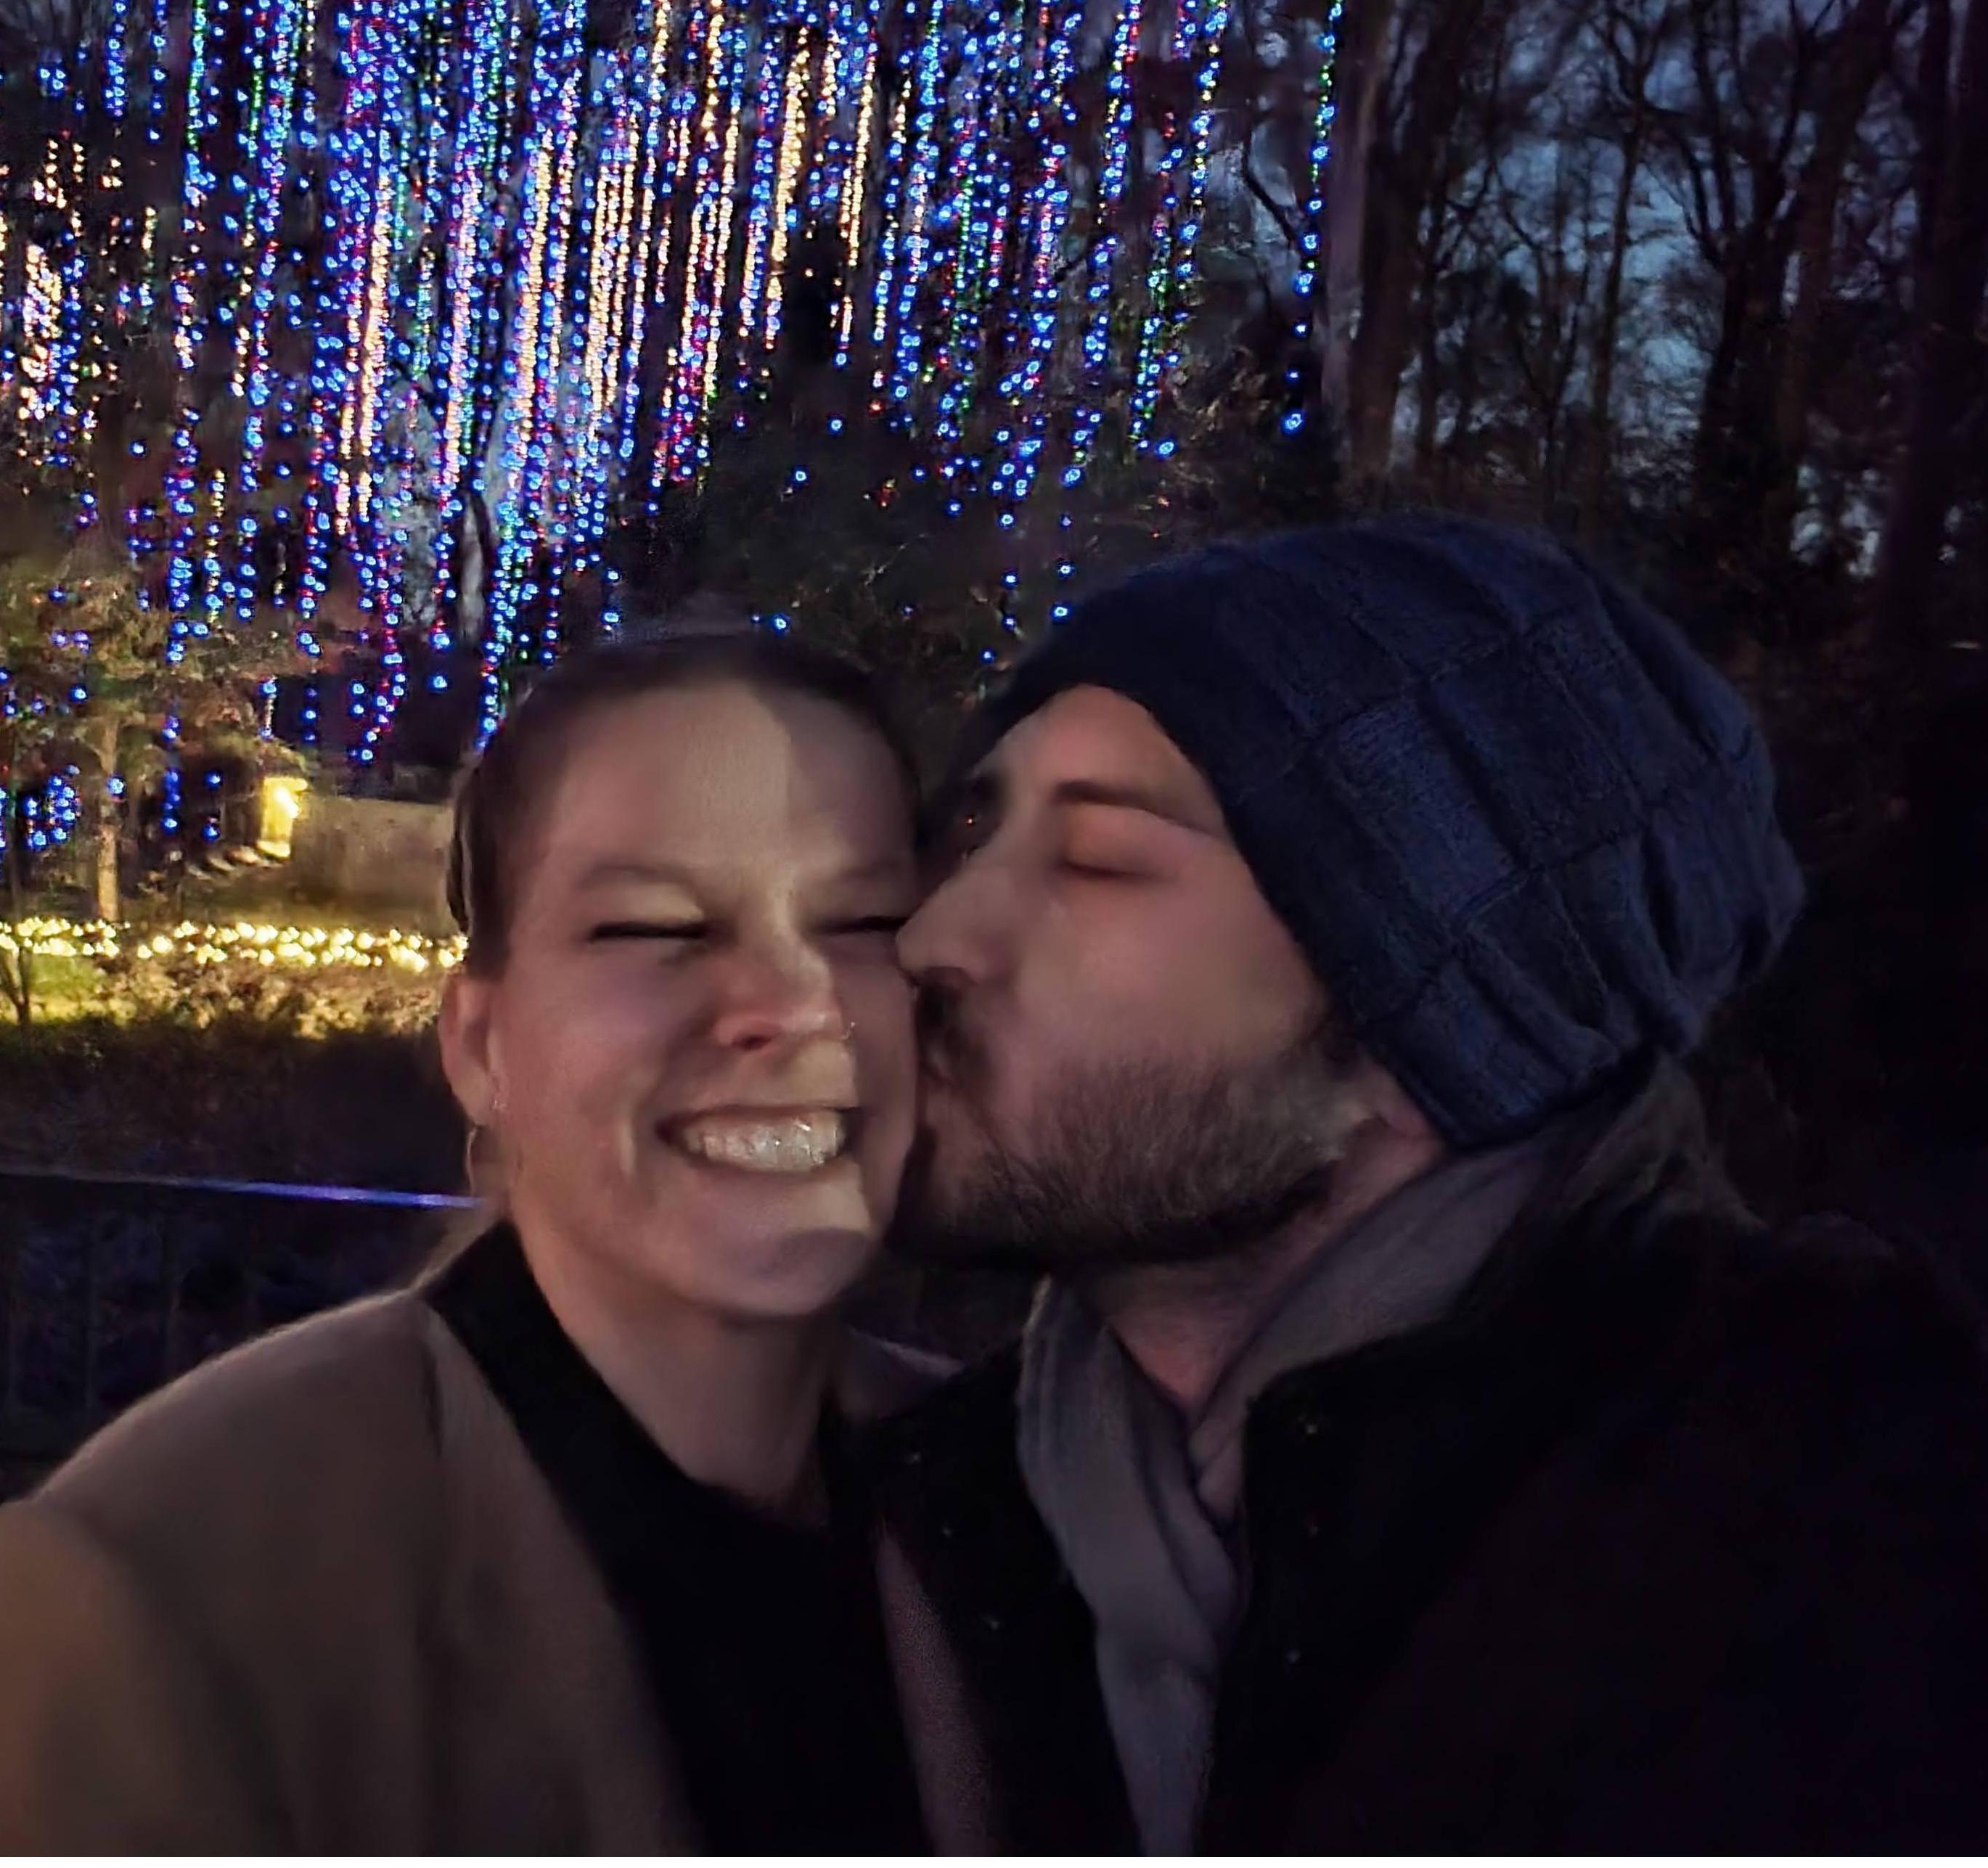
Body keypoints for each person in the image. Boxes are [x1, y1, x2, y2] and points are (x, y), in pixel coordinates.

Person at [870, 512, 1988, 1853]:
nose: (932, 935)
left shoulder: (1846, 1516)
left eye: (1101, 861)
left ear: (1414, 1030)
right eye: (972, 836)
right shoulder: (929, 1513)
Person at [0, 628, 975, 1851]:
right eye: (653, 929)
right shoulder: (165, 1598)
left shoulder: (1020, 1498)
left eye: (864, 920)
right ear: (479, 1045)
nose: (790, 1001)